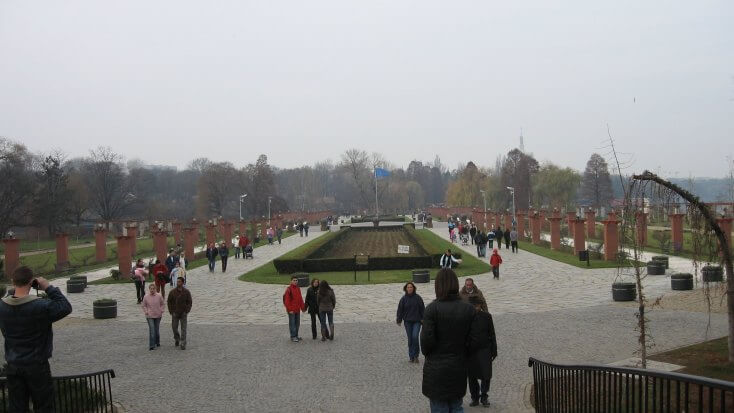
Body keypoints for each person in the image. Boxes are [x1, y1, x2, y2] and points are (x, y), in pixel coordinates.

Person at [0, 266, 72, 411]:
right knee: (44, 407)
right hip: (37, 366)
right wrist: (48, 287)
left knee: (16, 408)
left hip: (13, 366)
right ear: (31, 282)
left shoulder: (2, 306)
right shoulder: (40, 306)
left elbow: (12, 299)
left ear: (13, 281)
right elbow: (65, 307)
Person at [420, 268, 478, 413]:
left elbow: (426, 344)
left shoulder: (432, 309)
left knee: (440, 408)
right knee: (456, 406)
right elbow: (474, 341)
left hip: (436, 368)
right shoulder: (468, 309)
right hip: (458, 365)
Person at [467, 296, 497, 407]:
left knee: (486, 374)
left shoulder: (487, 316)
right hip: (471, 350)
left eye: (477, 305)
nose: (476, 307)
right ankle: (475, 397)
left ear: (480, 305)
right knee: (472, 376)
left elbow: (492, 333)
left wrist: (494, 350)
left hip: (485, 349)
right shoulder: (466, 317)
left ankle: (484, 396)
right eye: (473, 305)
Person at [396, 281, 425, 363]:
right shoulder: (403, 299)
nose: (409, 288)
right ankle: (411, 356)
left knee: (415, 337)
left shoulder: (418, 298)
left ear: (413, 288)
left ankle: (416, 355)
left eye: (411, 287)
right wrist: (399, 319)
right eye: (408, 287)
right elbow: (400, 310)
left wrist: (423, 319)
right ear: (406, 289)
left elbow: (422, 309)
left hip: (417, 321)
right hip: (407, 321)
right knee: (410, 339)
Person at [167, 277, 192, 350]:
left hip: (183, 313)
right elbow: (169, 302)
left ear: (182, 283)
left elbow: (189, 302)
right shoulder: (172, 292)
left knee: (183, 328)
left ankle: (183, 342)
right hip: (175, 313)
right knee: (174, 327)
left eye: (179, 282)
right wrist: (171, 311)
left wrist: (187, 310)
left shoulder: (186, 292)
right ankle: (177, 338)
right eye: (177, 281)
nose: (178, 283)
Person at [283, 276, 305, 342]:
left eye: (296, 280)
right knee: (292, 323)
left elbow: (300, 299)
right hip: (291, 310)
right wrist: (289, 310)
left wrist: (303, 307)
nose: (295, 281)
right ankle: (293, 336)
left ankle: (296, 335)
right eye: (294, 280)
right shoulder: (288, 289)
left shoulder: (298, 288)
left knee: (297, 323)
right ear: (291, 281)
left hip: (297, 309)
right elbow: (287, 301)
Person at [142, 283, 164, 350]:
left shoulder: (159, 296)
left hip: (158, 315)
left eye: (153, 289)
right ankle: (152, 345)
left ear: (156, 289)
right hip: (149, 316)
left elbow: (162, 304)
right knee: (152, 330)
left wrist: (161, 310)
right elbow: (144, 305)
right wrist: (146, 311)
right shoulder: (146, 296)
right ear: (149, 289)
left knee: (156, 330)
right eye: (151, 289)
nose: (152, 290)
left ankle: (157, 342)